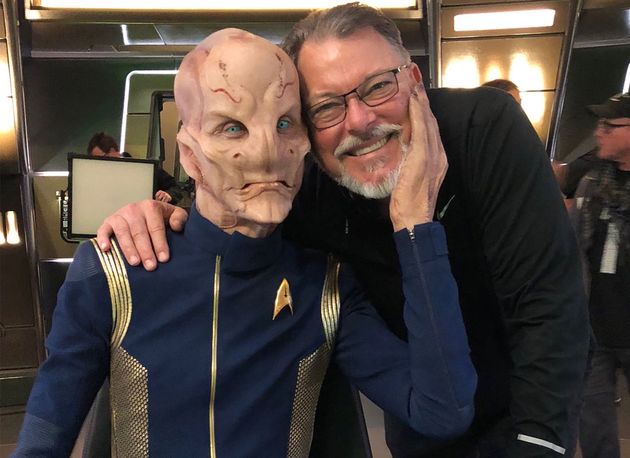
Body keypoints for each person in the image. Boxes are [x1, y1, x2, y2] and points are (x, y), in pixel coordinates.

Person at [96, 4, 590, 457]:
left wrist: (538, 441)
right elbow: (237, 219)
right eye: (327, 107)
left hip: (529, 401)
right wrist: (163, 216)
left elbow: (547, 302)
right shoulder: (309, 191)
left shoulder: (482, 129)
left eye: (378, 87)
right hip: (420, 411)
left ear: (414, 80)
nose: (360, 120)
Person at [13, 29, 476, 457]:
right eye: (232, 127)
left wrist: (416, 228)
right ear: (189, 153)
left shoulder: (326, 286)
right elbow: (43, 440)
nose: (267, 152)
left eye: (285, 123)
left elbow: (442, 411)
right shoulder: (115, 271)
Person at [574, 92, 630, 458]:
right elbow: (575, 247)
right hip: (595, 330)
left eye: (609, 125)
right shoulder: (592, 183)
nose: (599, 132)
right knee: (593, 428)